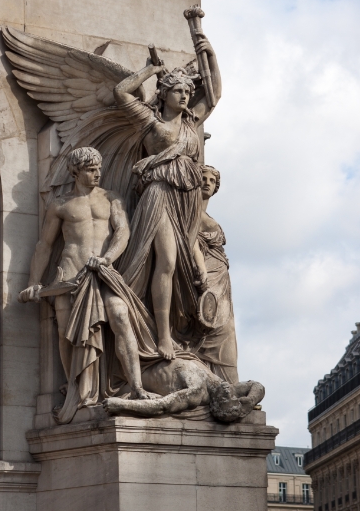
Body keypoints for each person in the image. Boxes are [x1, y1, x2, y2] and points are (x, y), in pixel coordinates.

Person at [18, 147, 158, 423]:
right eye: (91, 170)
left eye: (98, 169)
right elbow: (44, 245)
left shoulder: (110, 199)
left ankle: (137, 386)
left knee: (119, 314)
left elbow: (123, 232)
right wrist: (34, 281)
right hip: (69, 274)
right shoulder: (60, 204)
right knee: (66, 333)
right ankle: (77, 392)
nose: (97, 174)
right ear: (75, 171)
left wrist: (106, 258)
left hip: (103, 272)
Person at [114, 47, 222, 361]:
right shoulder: (149, 120)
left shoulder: (192, 122)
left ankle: (174, 329)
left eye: (189, 91)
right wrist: (151, 70)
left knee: (181, 268)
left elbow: (213, 94)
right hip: (159, 193)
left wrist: (207, 49)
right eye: (178, 90)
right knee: (168, 261)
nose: (186, 96)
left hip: (187, 198)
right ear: (164, 94)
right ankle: (161, 336)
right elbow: (120, 92)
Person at [102, 355, 264, 422]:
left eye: (225, 399)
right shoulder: (224, 386)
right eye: (232, 397)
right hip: (165, 352)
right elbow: (258, 386)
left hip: (137, 370)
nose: (228, 393)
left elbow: (161, 406)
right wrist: (249, 401)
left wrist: (121, 405)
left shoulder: (195, 392)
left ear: (215, 403)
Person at [195, 165, 239, 384]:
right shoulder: (190, 210)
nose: (207, 183)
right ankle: (222, 386)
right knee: (216, 330)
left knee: (227, 330)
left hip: (221, 277)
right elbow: (190, 239)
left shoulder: (206, 214)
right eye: (203, 178)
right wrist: (201, 269)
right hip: (207, 274)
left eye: (212, 180)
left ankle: (228, 384)